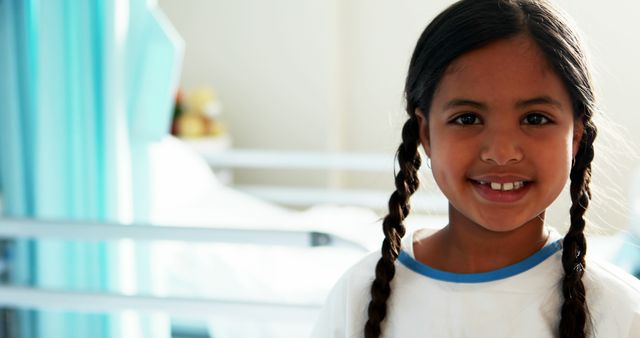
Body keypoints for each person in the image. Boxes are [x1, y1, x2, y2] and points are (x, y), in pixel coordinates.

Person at [310, 0, 640, 337]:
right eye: (467, 118)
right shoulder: (358, 297)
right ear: (426, 134)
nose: (501, 153)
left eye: (535, 118)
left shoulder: (622, 312)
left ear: (576, 136)